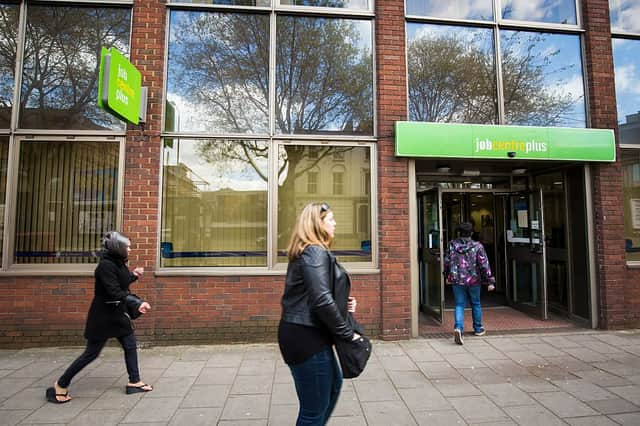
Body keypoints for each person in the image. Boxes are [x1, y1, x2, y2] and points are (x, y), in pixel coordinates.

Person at [45, 231, 152, 404]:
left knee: (130, 345)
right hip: (103, 316)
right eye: (127, 246)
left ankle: (135, 382)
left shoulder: (118, 263)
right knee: (91, 353)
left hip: (117, 314)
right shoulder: (105, 266)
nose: (130, 249)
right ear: (118, 248)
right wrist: (136, 303)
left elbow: (120, 283)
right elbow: (113, 291)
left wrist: (134, 275)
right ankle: (60, 385)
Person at [278, 202, 359, 425]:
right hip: (306, 335)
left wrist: (343, 303)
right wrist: (347, 334)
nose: (335, 223)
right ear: (317, 224)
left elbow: (315, 292)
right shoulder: (314, 252)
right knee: (312, 411)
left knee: (333, 386)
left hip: (307, 332)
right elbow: (321, 300)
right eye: (330, 219)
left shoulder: (311, 251)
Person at [444, 222, 495, 345]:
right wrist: (490, 281)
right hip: (474, 280)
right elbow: (484, 264)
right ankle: (478, 329)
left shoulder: (452, 245)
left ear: (459, 233)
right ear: (472, 233)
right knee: (476, 303)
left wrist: (446, 275)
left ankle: (458, 328)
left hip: (457, 279)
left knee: (459, 304)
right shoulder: (478, 246)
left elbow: (447, 261)